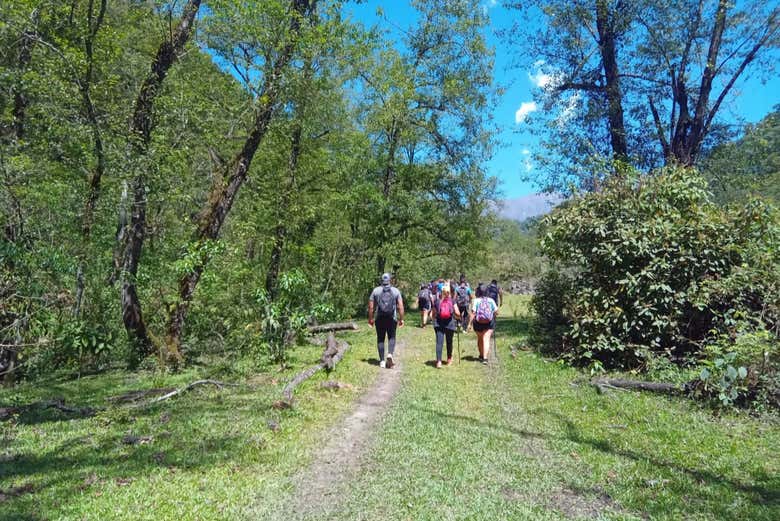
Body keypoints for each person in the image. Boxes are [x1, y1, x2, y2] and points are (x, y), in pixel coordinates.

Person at [368, 273, 404, 368]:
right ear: (390, 280)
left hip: (379, 318)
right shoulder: (395, 291)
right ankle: (390, 354)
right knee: (391, 337)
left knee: (380, 338)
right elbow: (400, 306)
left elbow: (371, 307)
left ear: (382, 280)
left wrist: (371, 319)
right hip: (392, 318)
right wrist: (401, 319)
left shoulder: (376, 291)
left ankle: (382, 361)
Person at [430, 286, 461, 368]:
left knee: (439, 343)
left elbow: (433, 314)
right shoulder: (452, 301)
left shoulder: (437, 301)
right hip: (450, 324)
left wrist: (434, 319)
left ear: (441, 292)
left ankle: (439, 362)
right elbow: (457, 313)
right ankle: (449, 359)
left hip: (438, 324)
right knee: (449, 342)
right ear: (449, 292)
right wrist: (458, 317)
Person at [469, 283, 498, 365]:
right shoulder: (491, 300)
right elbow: (496, 312)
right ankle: (485, 358)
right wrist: (493, 315)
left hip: (478, 323)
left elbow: (473, 313)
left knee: (480, 338)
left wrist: (469, 324)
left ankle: (481, 355)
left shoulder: (476, 300)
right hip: (489, 323)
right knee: (486, 339)